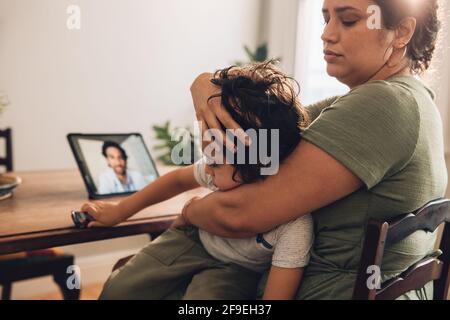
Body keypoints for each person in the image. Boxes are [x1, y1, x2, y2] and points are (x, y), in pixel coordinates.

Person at [181, 0, 447, 299]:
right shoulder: (409, 98)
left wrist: (189, 209)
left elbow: (241, 214)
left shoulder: (383, 104)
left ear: (401, 32)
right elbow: (259, 132)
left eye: (347, 21)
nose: (327, 34)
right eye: (326, 19)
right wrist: (205, 84)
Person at [81, 62, 314, 300]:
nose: (208, 169)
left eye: (214, 163)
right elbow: (176, 181)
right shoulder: (222, 169)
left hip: (237, 270)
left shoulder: (294, 227)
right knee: (116, 291)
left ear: (255, 166)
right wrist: (119, 211)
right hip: (192, 239)